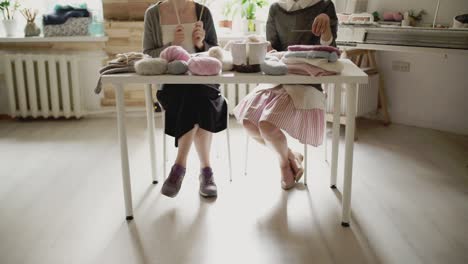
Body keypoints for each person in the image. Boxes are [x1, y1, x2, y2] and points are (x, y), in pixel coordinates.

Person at [233, 0, 338, 190]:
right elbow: (271, 48)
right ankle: (291, 156)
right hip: (278, 78)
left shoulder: (324, 6)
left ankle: (284, 167)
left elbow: (330, 49)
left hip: (306, 82)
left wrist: (326, 28)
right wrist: (266, 51)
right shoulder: (276, 8)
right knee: (248, 122)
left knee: (266, 126)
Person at [143, 0, 227, 198]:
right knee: (194, 96)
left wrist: (201, 45)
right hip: (171, 86)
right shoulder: (153, 14)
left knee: (197, 93)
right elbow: (147, 54)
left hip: (204, 82)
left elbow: (216, 53)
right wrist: (171, 46)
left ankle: (179, 167)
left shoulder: (203, 11)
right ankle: (207, 173)